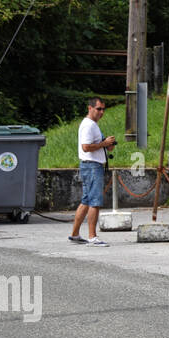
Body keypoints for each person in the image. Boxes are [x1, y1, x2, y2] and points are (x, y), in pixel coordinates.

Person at [68, 98, 116, 246]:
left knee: (86, 200)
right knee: (95, 201)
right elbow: (86, 147)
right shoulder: (88, 125)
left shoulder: (92, 125)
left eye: (103, 109)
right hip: (92, 166)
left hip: (90, 165)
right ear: (90, 108)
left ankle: (75, 234)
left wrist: (107, 145)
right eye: (98, 109)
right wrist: (104, 143)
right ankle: (92, 236)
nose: (101, 112)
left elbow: (93, 145)